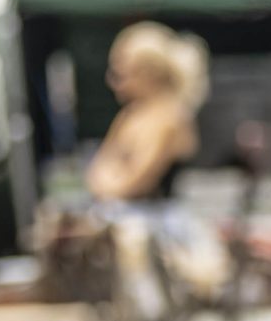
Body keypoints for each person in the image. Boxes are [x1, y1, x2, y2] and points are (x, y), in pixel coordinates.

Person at [86, 23, 207, 203]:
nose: (112, 82)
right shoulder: (130, 115)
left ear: (149, 72)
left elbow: (136, 183)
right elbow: (96, 173)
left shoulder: (170, 117)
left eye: (121, 74)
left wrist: (108, 183)